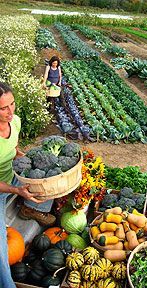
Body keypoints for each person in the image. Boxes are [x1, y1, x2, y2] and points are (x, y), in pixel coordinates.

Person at [0, 82, 56, 287]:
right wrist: (16, 190)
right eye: (3, 108)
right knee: (0, 252)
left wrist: (28, 160)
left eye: (12, 104)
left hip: (14, 175)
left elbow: (13, 148)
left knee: (51, 177)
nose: (10, 111)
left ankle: (30, 209)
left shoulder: (15, 122)